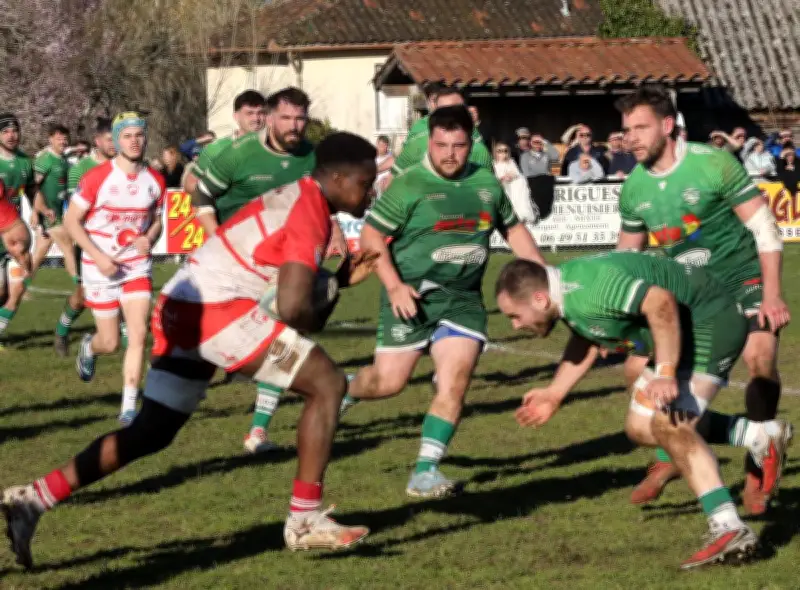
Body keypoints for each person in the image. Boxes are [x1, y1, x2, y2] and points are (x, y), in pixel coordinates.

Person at [1, 132, 380, 569]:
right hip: (216, 311)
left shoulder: (302, 197)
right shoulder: (309, 210)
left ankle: (33, 498)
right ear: (336, 176)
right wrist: (335, 286)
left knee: (152, 431)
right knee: (328, 384)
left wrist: (333, 284)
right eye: (365, 183)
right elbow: (296, 309)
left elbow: (292, 299)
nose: (369, 192)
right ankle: (305, 519)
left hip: (183, 304)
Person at [495, 252, 787, 568]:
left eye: (514, 315)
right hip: (683, 329)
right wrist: (554, 393)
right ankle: (759, 435)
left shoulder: (588, 290)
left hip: (709, 322)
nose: (515, 325)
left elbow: (659, 302)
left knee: (668, 425)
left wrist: (665, 371)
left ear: (539, 299)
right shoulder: (567, 295)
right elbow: (585, 336)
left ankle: (729, 527)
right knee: (639, 427)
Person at [341, 106, 546, 498]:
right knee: (386, 383)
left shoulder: (486, 183)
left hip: (463, 299)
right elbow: (370, 238)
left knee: (455, 381)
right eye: (441, 145)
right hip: (411, 296)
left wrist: (543, 275)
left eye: (459, 145)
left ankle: (425, 472)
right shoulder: (410, 184)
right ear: (428, 142)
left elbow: (514, 230)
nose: (450, 154)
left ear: (472, 144)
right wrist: (396, 287)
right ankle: (345, 388)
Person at [616, 85, 792, 515]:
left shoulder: (713, 163)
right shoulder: (634, 187)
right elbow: (626, 258)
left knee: (761, 358)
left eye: (640, 127)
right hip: (691, 293)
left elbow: (765, 230)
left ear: (667, 125)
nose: (630, 138)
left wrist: (771, 295)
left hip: (742, 279)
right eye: (626, 130)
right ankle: (674, 449)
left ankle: (758, 467)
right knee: (635, 368)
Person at [191, 86, 346, 454]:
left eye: (301, 119)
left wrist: (335, 229)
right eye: (287, 118)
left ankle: (258, 431)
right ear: (270, 117)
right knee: (225, 344)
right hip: (236, 265)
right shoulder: (238, 155)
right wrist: (218, 240)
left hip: (285, 263)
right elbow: (201, 195)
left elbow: (321, 198)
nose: (295, 126)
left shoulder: (312, 156)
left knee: (281, 337)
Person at [65, 112, 165, 426]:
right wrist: (98, 256)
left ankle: (128, 408)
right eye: (127, 136)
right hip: (100, 266)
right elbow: (71, 222)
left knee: (138, 335)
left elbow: (158, 219)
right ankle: (89, 347)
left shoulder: (155, 181)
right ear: (116, 141)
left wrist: (149, 237)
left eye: (139, 135)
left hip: (135, 267)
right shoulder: (97, 178)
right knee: (109, 342)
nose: (135, 141)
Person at [55, 118, 118, 356]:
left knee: (123, 289)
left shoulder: (123, 167)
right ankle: (62, 330)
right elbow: (74, 212)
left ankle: (123, 336)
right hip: (91, 240)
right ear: (97, 141)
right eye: (109, 139)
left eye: (116, 139)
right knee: (82, 296)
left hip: (118, 240)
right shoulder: (81, 169)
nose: (114, 144)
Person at [182, 89, 266, 206]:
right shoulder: (217, 148)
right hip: (230, 219)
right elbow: (190, 184)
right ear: (236, 116)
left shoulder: (277, 149)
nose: (256, 119)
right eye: (250, 113)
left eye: (261, 113)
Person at [391, 87, 492, 177]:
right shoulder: (415, 147)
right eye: (444, 112)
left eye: (457, 111)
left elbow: (491, 189)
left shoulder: (480, 150)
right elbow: (390, 184)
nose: (450, 117)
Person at [0, 113, 36, 346]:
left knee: (18, 288)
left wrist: (39, 213)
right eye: (5, 131)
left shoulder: (25, 162)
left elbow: (32, 190)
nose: (12, 135)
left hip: (16, 235)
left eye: (15, 130)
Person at [30, 125, 73, 281]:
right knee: (68, 247)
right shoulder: (45, 159)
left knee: (40, 252)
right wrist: (36, 212)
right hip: (48, 213)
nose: (63, 141)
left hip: (58, 211)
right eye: (59, 138)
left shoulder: (64, 161)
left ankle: (22, 284)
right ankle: (80, 286)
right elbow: (33, 187)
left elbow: (66, 188)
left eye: (65, 138)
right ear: (51, 139)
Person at [493, 142, 535, 223]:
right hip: (500, 185)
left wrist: (510, 176)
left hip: (511, 183)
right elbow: (494, 177)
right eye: (500, 151)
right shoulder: (494, 164)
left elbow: (516, 173)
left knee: (520, 182)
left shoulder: (510, 162)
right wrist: (502, 178)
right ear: (496, 152)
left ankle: (518, 213)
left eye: (505, 150)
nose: (503, 153)